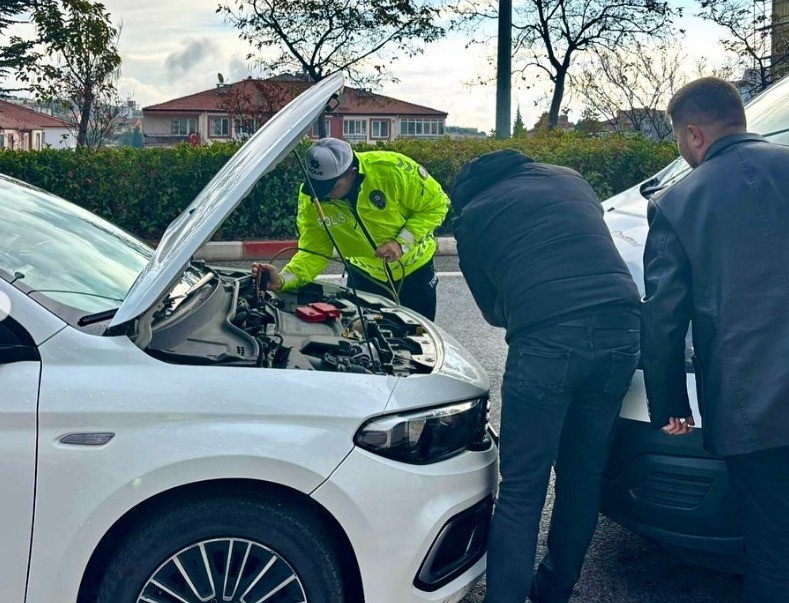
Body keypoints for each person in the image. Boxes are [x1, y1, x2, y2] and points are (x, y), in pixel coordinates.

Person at [451, 149, 641, 603]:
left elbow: (492, 311)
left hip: (547, 342)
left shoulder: (473, 217)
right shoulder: (570, 176)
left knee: (522, 488)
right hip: (624, 327)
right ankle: (554, 590)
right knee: (582, 475)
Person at [641, 77, 789, 602]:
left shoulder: (677, 202)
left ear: (694, 133)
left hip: (754, 407)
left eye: (679, 139)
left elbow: (663, 318)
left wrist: (671, 405)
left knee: (773, 547)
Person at [252, 137, 448, 320]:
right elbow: (314, 252)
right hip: (363, 277)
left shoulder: (392, 170)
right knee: (364, 344)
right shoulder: (312, 198)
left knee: (418, 343)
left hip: (415, 271)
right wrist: (283, 279)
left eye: (330, 187)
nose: (322, 195)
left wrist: (402, 242)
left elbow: (437, 204)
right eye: (317, 187)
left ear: (351, 174)